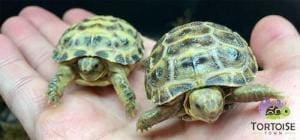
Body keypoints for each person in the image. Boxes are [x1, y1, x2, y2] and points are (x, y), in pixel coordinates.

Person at [0, 6, 299, 139]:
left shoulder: (232, 93)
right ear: (187, 102)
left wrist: (280, 108)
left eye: (214, 105)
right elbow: (154, 113)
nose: (209, 113)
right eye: (199, 106)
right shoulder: (172, 100)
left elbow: (258, 95)